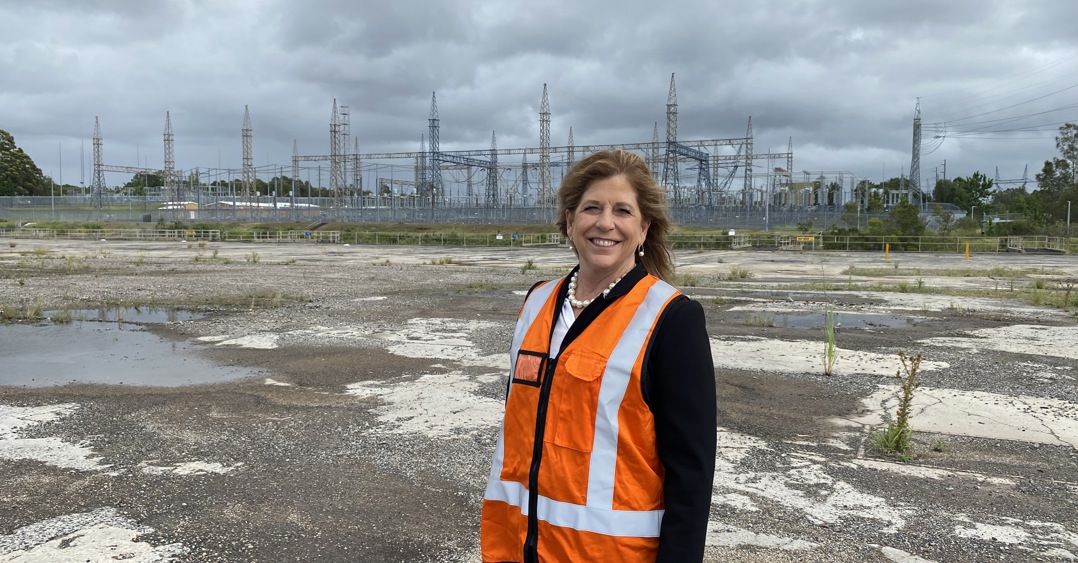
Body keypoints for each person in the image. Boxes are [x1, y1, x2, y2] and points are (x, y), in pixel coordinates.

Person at [481, 150, 717, 562]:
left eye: (622, 210)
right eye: (592, 208)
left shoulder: (671, 318)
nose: (605, 223)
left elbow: (691, 477)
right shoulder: (537, 302)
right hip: (517, 548)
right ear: (570, 222)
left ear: (644, 229)